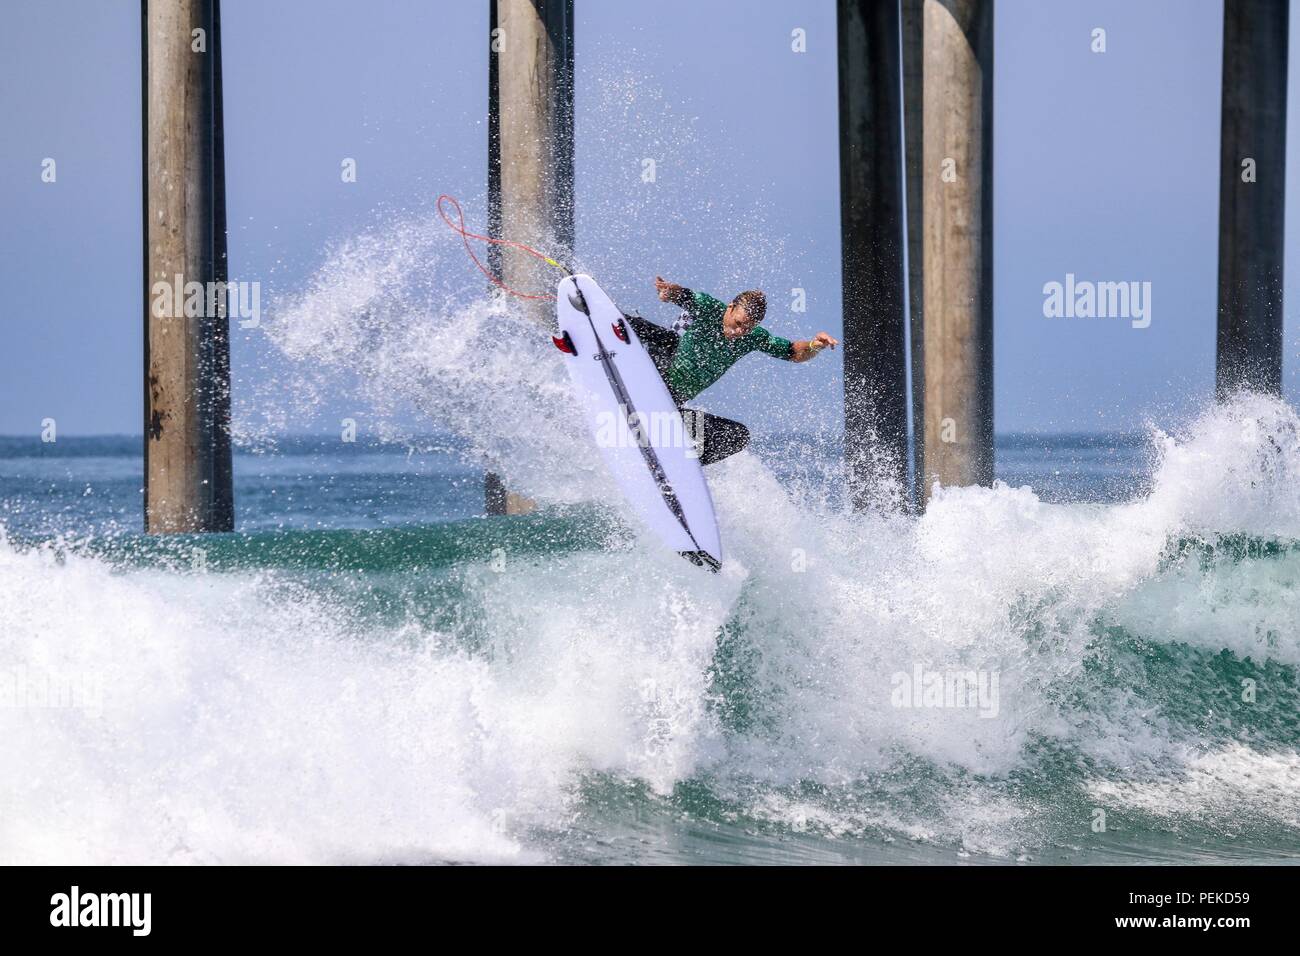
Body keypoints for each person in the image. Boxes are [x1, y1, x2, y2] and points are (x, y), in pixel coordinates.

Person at [622, 277, 839, 465]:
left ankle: (676, 464)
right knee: (670, 339)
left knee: (736, 436)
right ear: (729, 308)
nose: (739, 331)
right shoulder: (709, 308)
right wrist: (670, 291)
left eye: (747, 328)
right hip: (652, 375)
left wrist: (813, 346)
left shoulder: (753, 337)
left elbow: (793, 352)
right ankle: (603, 319)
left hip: (670, 406)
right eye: (738, 323)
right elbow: (684, 295)